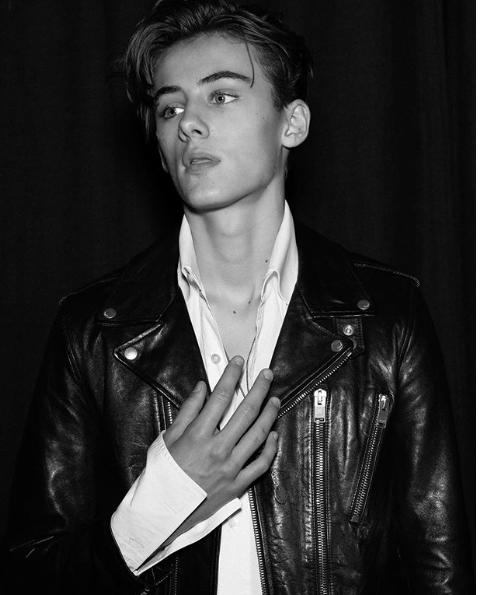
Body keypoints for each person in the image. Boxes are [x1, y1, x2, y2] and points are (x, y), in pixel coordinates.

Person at [6, 0, 471, 593]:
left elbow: (440, 564)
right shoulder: (94, 327)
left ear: (292, 123)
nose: (188, 124)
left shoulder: (386, 312)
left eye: (221, 95)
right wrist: (165, 502)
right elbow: (32, 570)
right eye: (170, 107)